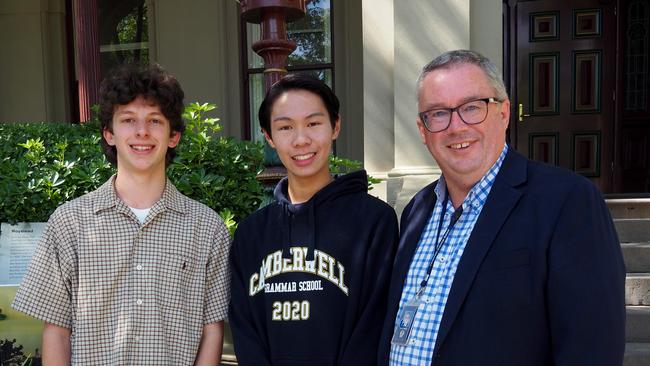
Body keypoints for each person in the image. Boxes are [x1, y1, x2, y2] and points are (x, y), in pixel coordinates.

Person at [378, 50, 626, 365]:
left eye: (472, 107)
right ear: (423, 129)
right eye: (439, 113)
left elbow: (592, 350)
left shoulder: (567, 202)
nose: (456, 127)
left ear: (504, 113)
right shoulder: (417, 210)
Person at [12, 64, 231, 365]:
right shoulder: (70, 223)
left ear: (173, 136)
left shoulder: (207, 228)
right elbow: (56, 332)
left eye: (155, 120)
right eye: (128, 120)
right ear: (109, 134)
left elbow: (212, 331)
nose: (142, 132)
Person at [229, 73, 399, 365]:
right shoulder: (250, 235)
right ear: (268, 136)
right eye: (285, 127)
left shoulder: (374, 222)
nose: (301, 140)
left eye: (313, 123)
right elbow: (246, 330)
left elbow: (373, 326)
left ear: (336, 126)